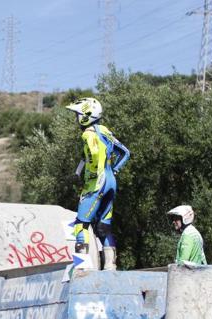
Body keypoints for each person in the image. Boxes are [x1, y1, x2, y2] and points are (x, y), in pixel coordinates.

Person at [65, 98, 130, 270]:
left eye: (77, 115)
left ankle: (82, 267)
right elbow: (125, 153)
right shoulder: (104, 130)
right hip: (110, 182)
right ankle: (110, 267)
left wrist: (92, 174)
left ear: (86, 116)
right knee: (103, 227)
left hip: (96, 183)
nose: (76, 119)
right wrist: (113, 170)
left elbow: (93, 153)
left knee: (81, 225)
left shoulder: (87, 134)